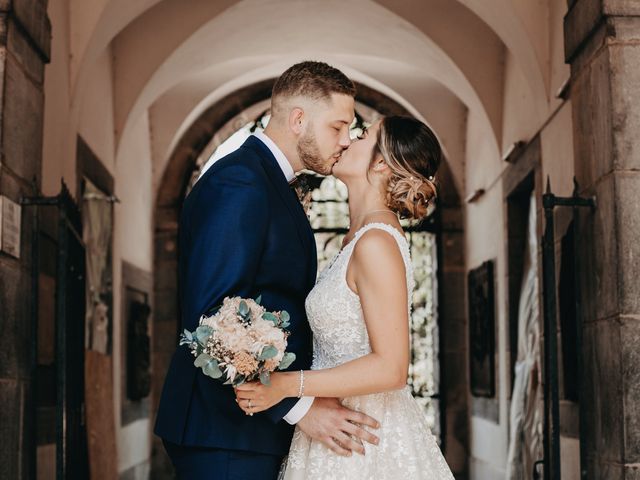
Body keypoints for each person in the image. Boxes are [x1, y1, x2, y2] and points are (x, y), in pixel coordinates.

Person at [154, 61, 381, 480]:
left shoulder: (268, 181)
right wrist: (297, 406)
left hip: (246, 432)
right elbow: (213, 319)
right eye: (337, 127)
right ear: (298, 120)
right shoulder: (240, 182)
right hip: (224, 434)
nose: (346, 141)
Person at [235, 116, 455, 479]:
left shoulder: (376, 244)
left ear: (382, 162)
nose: (349, 140)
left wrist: (286, 385)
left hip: (363, 436)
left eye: (363, 135)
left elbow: (392, 368)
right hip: (337, 426)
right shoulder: (357, 239)